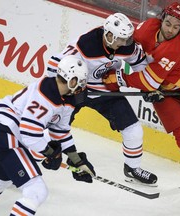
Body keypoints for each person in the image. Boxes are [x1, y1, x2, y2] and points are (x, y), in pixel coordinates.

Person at [103, 2, 180, 187]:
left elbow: (149, 82)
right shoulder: (148, 27)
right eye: (168, 23)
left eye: (176, 27)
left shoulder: (175, 48)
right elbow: (126, 44)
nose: (171, 29)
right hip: (164, 94)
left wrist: (122, 79)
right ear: (162, 18)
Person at [46, 13, 157, 186]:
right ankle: (29, 157)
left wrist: (148, 87)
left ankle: (132, 168)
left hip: (105, 91)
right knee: (52, 128)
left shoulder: (126, 45)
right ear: (109, 35)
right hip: (77, 90)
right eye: (121, 39)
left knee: (134, 130)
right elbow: (54, 65)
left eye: (126, 39)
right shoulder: (85, 45)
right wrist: (62, 94)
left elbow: (141, 65)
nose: (124, 43)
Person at [0, 55, 95, 215]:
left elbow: (60, 132)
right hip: (4, 134)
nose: (83, 87)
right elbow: (29, 133)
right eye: (82, 82)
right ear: (72, 80)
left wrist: (77, 161)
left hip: (5, 135)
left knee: (1, 180)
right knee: (36, 191)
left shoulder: (65, 99)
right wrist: (51, 153)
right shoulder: (45, 95)